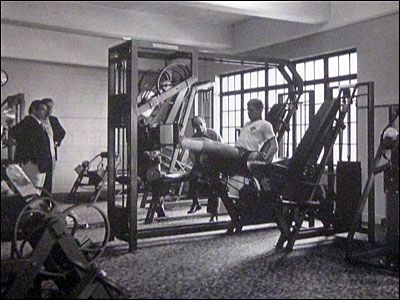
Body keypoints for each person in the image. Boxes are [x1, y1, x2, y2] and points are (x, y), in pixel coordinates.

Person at [182, 98, 278, 173]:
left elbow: (274, 146)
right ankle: (185, 140)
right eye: (248, 110)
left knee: (216, 146)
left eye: (251, 110)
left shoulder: (265, 124)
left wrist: (264, 162)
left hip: (245, 153)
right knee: (207, 150)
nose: (249, 113)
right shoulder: (247, 124)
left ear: (260, 110)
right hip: (237, 151)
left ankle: (184, 142)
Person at [9, 100, 53, 189]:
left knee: (37, 190)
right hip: (33, 163)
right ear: (34, 109)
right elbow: (13, 132)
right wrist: (31, 156)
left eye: (45, 110)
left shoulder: (37, 123)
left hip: (39, 163)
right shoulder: (29, 121)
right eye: (42, 110)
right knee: (33, 191)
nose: (45, 112)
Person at [187, 116, 222, 221]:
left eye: (201, 124)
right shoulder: (194, 137)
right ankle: (196, 202)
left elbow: (221, 148)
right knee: (192, 177)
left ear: (204, 123)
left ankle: (214, 214)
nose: (199, 127)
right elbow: (191, 153)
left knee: (215, 184)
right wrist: (196, 163)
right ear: (194, 127)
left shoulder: (213, 134)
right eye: (196, 126)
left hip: (213, 164)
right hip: (200, 165)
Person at [41, 98, 66, 193]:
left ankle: (48, 202)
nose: (50, 109)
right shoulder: (36, 119)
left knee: (49, 179)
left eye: (51, 107)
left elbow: (62, 132)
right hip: (40, 155)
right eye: (47, 107)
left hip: (51, 155)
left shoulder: (53, 120)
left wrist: (56, 142)